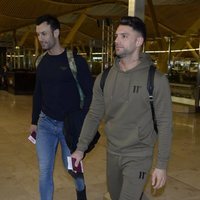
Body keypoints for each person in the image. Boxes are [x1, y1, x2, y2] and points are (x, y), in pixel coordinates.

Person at [72, 16, 173, 200]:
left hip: (139, 154)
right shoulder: (105, 78)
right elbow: (94, 115)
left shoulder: (156, 80)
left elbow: (165, 124)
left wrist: (161, 165)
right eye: (117, 36)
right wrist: (81, 148)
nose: (117, 40)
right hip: (112, 152)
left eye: (124, 36)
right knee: (117, 195)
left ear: (139, 41)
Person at [29, 14, 93, 200]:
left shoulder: (76, 61)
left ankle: (81, 189)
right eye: (38, 34)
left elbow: (90, 95)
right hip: (46, 123)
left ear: (56, 33)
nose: (40, 38)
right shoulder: (41, 61)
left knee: (71, 168)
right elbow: (38, 93)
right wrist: (34, 121)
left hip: (69, 126)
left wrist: (82, 122)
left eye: (44, 34)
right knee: (44, 171)